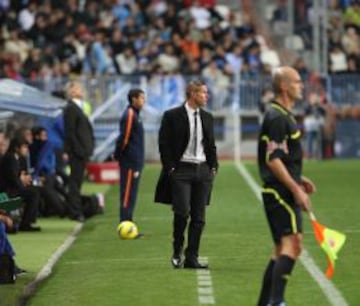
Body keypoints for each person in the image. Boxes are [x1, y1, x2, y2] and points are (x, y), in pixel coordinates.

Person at [256, 66, 316, 306]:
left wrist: (299, 178)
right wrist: (295, 188)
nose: (301, 86)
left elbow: (279, 155)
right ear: (284, 86)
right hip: (279, 193)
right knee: (293, 244)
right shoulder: (279, 117)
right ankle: (277, 301)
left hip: (279, 189)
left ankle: (265, 303)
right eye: (297, 82)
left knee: (282, 247)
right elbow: (274, 160)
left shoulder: (281, 115)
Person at [155, 80, 218, 269]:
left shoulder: (208, 117)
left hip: (203, 170)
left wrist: (213, 166)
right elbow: (163, 143)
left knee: (199, 218)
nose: (206, 96)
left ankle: (192, 257)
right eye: (203, 93)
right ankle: (177, 250)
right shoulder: (172, 115)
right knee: (182, 212)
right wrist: (170, 168)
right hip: (181, 170)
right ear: (192, 94)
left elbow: (211, 144)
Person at [63, 80, 95, 222]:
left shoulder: (78, 108)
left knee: (78, 182)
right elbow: (70, 133)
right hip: (77, 153)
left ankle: (76, 209)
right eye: (77, 87)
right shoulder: (70, 108)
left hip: (82, 152)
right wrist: (79, 150)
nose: (81, 89)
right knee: (75, 183)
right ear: (71, 91)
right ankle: (75, 212)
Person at [114, 88, 145, 224]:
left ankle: (128, 221)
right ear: (134, 99)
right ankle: (125, 223)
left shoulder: (136, 115)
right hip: (130, 161)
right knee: (127, 193)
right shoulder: (130, 115)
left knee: (131, 193)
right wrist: (118, 154)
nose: (144, 101)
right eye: (141, 98)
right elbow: (124, 138)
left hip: (135, 161)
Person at [0, 137, 41, 232]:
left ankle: (26, 222)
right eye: (24, 147)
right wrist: (23, 187)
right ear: (16, 148)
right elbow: (13, 179)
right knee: (33, 194)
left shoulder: (16, 158)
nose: (26, 149)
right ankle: (26, 224)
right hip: (6, 192)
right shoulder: (10, 158)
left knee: (34, 191)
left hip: (11, 189)